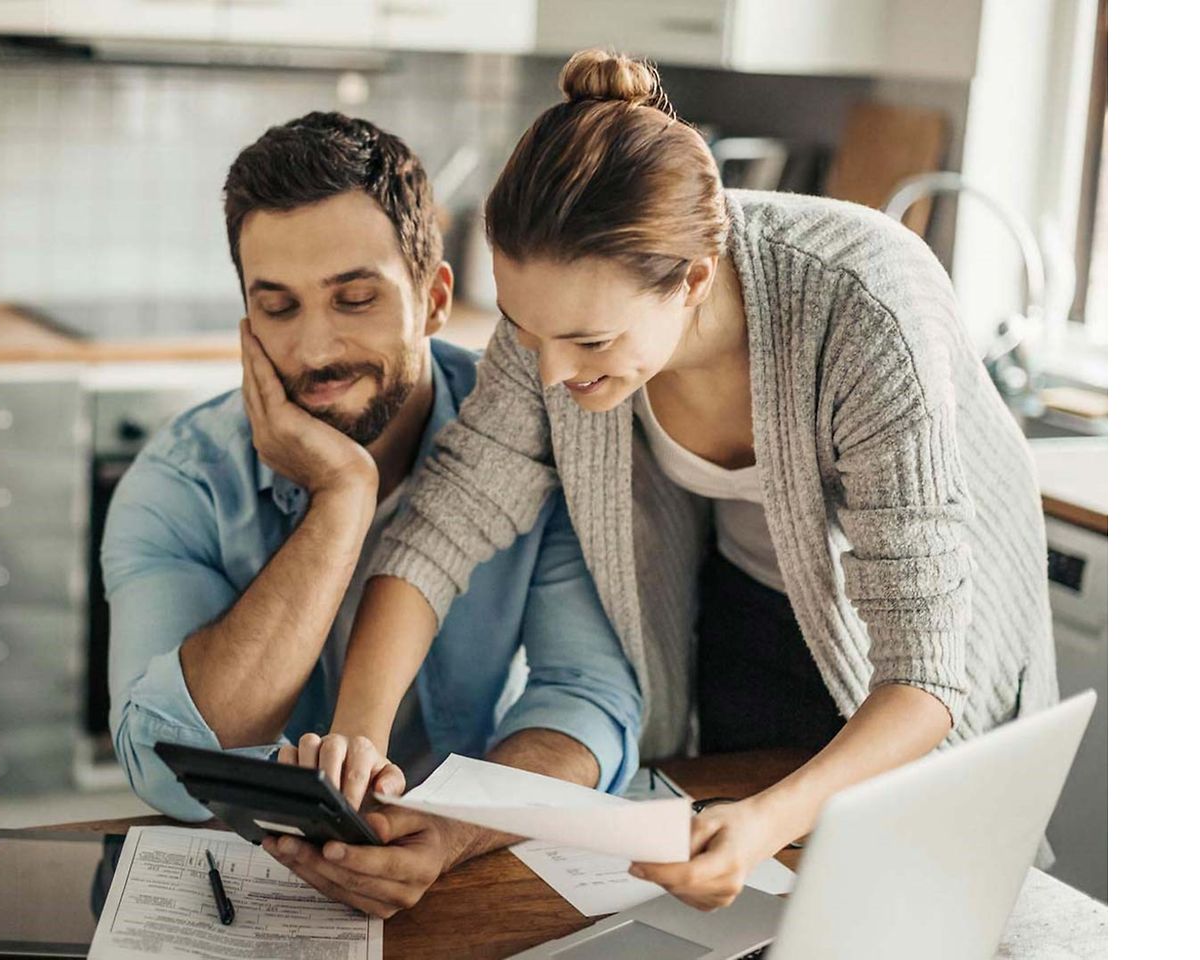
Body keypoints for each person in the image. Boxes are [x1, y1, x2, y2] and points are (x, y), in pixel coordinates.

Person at [298, 51, 1060, 911]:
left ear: (693, 279)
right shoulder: (558, 317)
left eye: (588, 343)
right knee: (768, 909)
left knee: (911, 898)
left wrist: (765, 821)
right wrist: (355, 737)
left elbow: (925, 675)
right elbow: (449, 518)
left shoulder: (863, 305)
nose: (549, 374)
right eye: (523, 329)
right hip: (746, 609)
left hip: (922, 659)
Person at [102, 111, 643, 918]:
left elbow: (587, 703)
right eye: (278, 308)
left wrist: (454, 829)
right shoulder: (183, 482)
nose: (317, 349)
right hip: (256, 897)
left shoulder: (536, 444)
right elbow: (165, 761)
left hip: (468, 870)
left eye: (354, 299)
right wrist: (341, 499)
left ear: (433, 300)